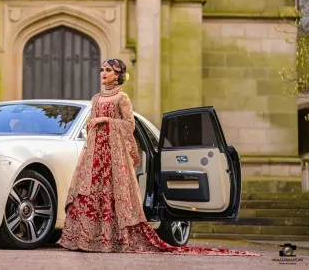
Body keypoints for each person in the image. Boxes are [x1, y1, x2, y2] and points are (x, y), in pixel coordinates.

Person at [59, 58, 260, 256]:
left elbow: (129, 126)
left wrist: (105, 119)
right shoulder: (96, 98)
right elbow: (91, 123)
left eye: (108, 70)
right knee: (89, 193)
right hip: (95, 153)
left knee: (114, 195)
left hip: (114, 155)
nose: (103, 73)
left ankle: (113, 241)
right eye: (102, 69)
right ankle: (87, 239)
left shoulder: (122, 98)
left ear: (118, 75)